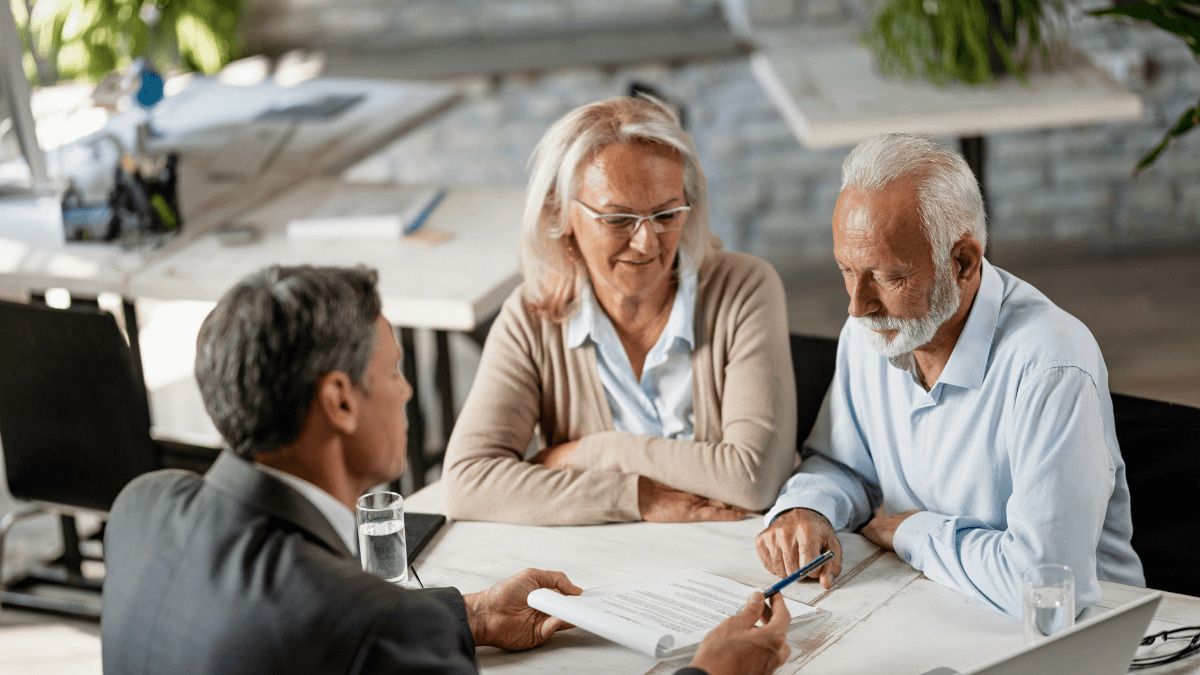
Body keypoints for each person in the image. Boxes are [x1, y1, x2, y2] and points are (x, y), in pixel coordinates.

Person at [101, 265, 792, 675]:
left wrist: (471, 613)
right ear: (341, 400)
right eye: (394, 370)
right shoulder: (370, 623)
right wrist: (708, 672)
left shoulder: (141, 506)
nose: (406, 392)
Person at [755, 134, 1144, 617]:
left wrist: (911, 531)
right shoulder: (871, 331)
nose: (858, 305)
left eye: (889, 277)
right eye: (846, 270)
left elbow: (1048, 589)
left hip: (1088, 641)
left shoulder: (1051, 363)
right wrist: (808, 509)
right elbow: (843, 465)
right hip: (934, 604)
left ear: (963, 262)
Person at [441, 96, 796, 525]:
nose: (647, 242)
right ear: (560, 214)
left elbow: (752, 479)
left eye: (666, 214)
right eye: (618, 219)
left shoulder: (744, 289)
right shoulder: (532, 318)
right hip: (601, 568)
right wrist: (637, 497)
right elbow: (466, 484)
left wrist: (597, 451)